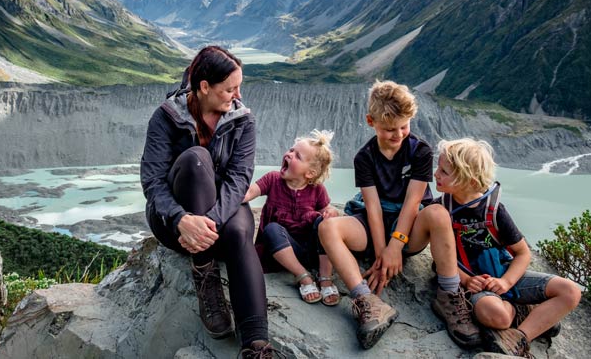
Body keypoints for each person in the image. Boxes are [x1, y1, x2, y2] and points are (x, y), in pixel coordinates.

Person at [318, 80, 481, 350]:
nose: (398, 134)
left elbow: (412, 202)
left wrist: (396, 246)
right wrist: (382, 253)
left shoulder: (420, 151)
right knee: (328, 229)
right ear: (371, 121)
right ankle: (367, 300)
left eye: (404, 126)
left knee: (438, 213)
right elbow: (371, 207)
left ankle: (449, 294)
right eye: (389, 129)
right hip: (373, 225)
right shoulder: (364, 157)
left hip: (410, 227)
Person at [140, 46, 274, 358]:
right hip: (173, 221)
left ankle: (256, 345)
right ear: (204, 87)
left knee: (241, 234)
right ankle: (205, 271)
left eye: (239, 86)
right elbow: (153, 182)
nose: (237, 94)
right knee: (196, 160)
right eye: (229, 88)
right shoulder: (166, 116)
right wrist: (181, 219)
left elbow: (239, 178)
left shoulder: (243, 120)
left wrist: (210, 222)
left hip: (220, 213)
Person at [434, 138, 582, 357]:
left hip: (504, 274)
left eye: (444, 171)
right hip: (476, 283)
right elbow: (441, 259)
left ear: (471, 181)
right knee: (497, 316)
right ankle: (523, 310)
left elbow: (522, 253)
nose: (436, 173)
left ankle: (520, 337)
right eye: (438, 167)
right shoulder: (439, 211)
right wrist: (466, 281)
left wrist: (506, 282)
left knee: (571, 291)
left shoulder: (494, 211)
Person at [243, 130, 340, 306]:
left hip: (309, 251)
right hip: (279, 252)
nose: (289, 154)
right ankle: (303, 276)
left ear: (310, 173)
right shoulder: (273, 179)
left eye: (297, 156)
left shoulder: (317, 190)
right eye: (290, 150)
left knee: (324, 223)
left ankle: (325, 277)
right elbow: (250, 192)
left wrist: (331, 213)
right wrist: (230, 196)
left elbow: (327, 209)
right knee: (272, 229)